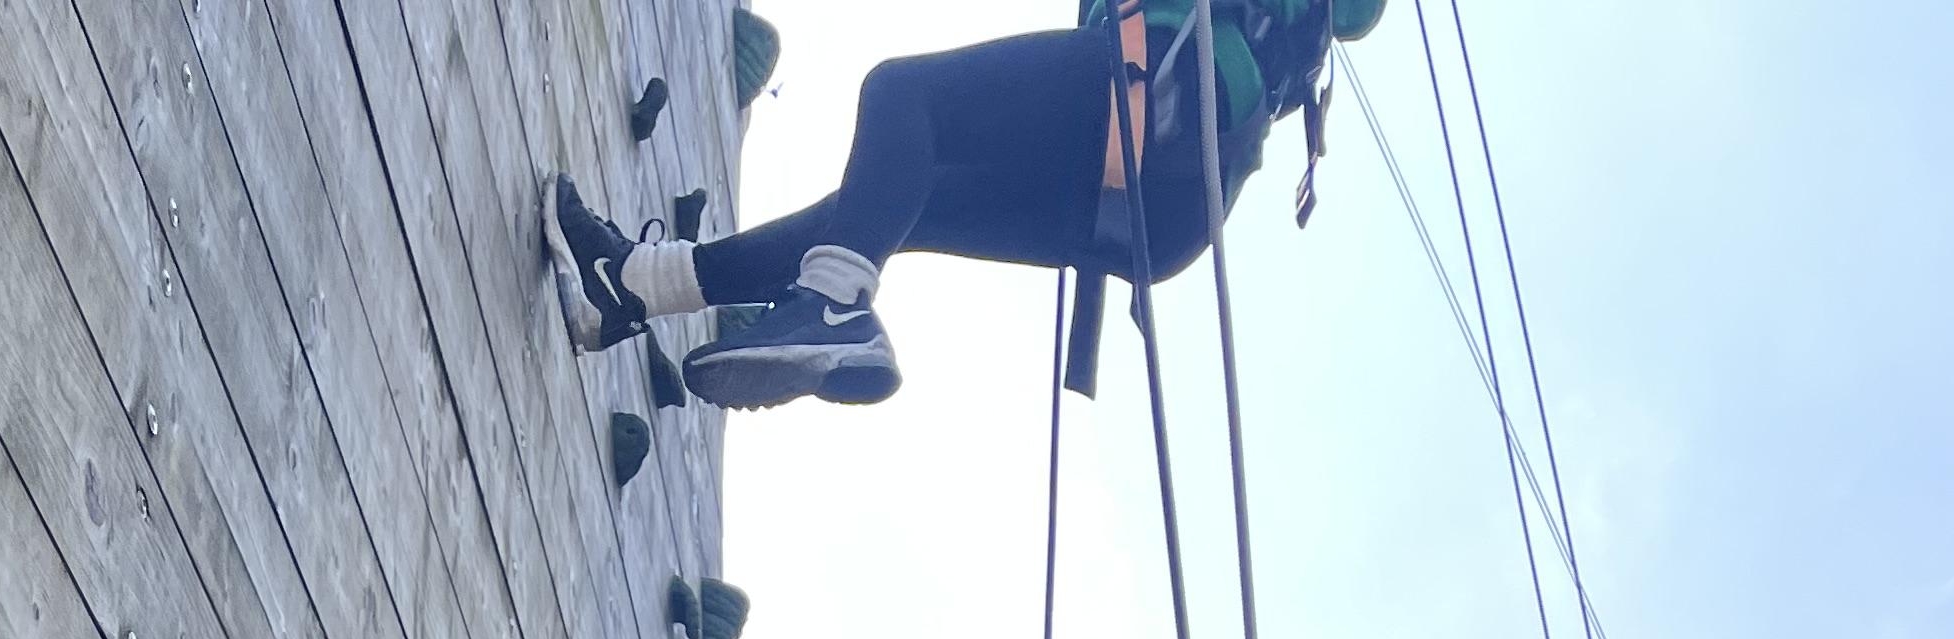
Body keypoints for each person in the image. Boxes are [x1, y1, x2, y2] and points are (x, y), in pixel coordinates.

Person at [542, 0, 1387, 410]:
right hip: (1159, 207)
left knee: (905, 98)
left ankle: (832, 308)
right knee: (894, 200)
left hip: (1154, 106)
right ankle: (637, 284)